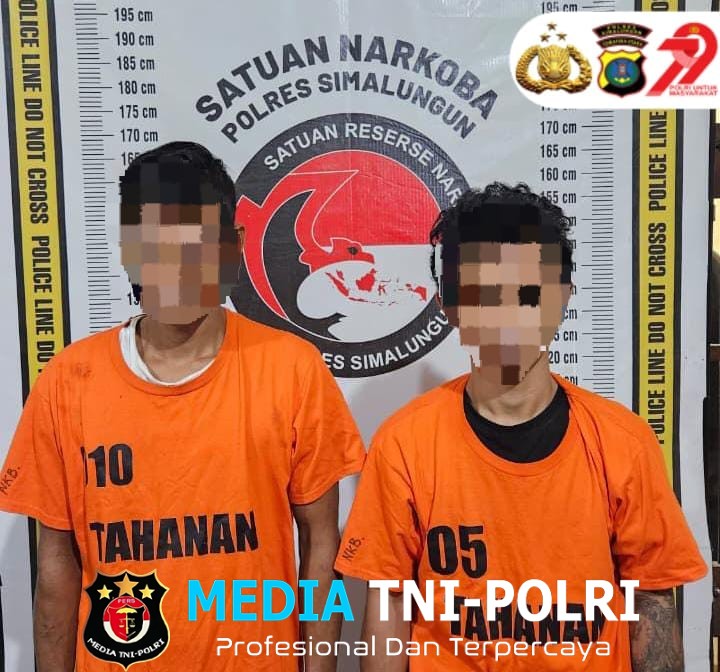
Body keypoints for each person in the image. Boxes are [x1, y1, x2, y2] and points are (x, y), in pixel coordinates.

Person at [0, 141, 365, 671]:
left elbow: (321, 544)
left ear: (232, 246)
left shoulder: (292, 369)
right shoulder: (67, 382)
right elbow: (56, 563)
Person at [335, 182, 707, 671]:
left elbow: (652, 597)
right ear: (450, 304)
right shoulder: (404, 443)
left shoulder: (623, 442)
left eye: (528, 292)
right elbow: (390, 600)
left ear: (563, 297)